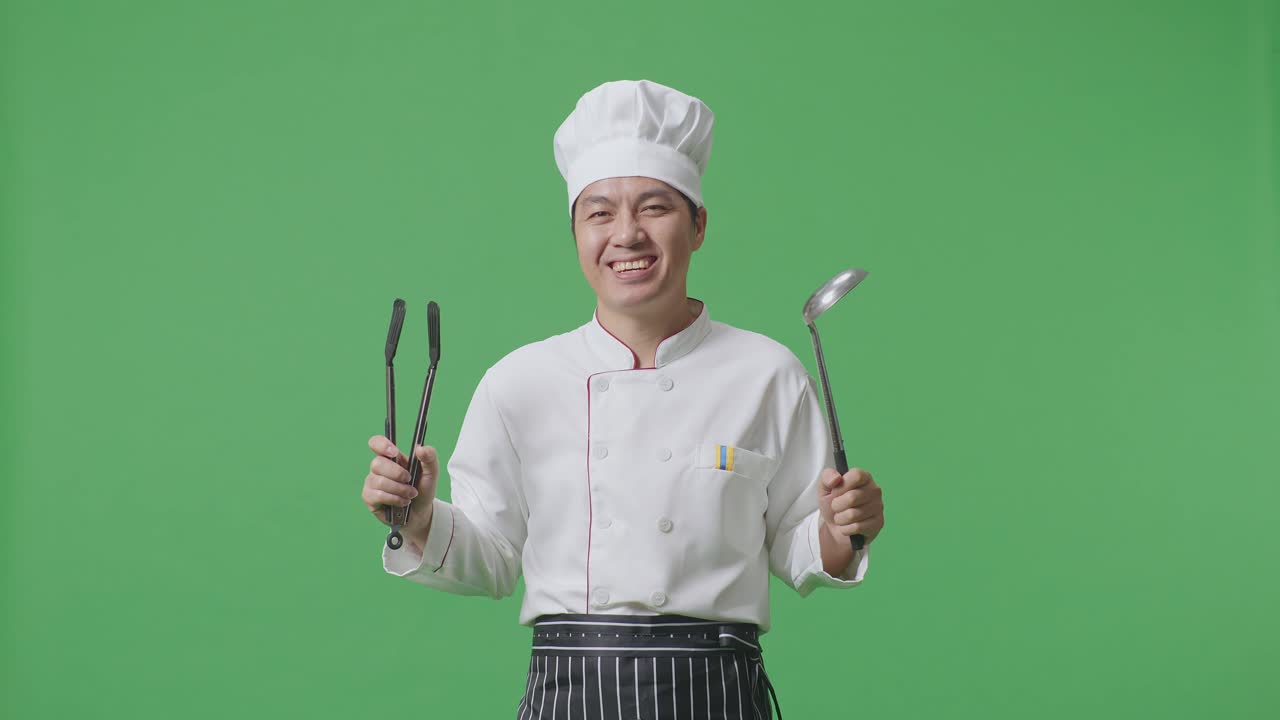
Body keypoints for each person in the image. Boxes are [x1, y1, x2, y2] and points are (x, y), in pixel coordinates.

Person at [360, 79, 885, 719]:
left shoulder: (768, 374)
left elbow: (801, 549)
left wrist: (841, 529)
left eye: (655, 207)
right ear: (575, 233)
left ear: (698, 225)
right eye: (600, 213)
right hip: (569, 690)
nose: (627, 234)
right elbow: (492, 556)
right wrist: (417, 518)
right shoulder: (519, 381)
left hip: (717, 691)